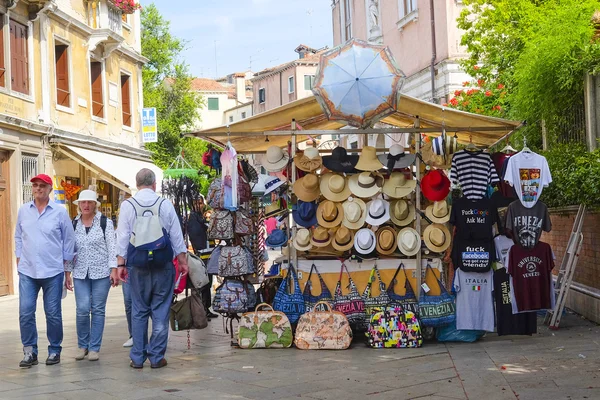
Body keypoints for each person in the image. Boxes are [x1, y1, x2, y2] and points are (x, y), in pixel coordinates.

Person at [116, 169, 188, 369]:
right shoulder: (164, 204)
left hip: (137, 265)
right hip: (163, 264)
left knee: (138, 310)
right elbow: (176, 235)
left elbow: (122, 237)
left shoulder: (128, 205)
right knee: (160, 309)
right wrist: (182, 261)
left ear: (137, 184)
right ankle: (156, 357)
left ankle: (137, 357)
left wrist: (120, 265)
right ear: (155, 184)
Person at [14, 173, 76, 368]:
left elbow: (69, 241)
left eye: (42, 185)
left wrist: (67, 271)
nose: (38, 189)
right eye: (35, 186)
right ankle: (29, 351)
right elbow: (18, 236)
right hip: (28, 271)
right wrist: (18, 258)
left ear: (50, 189)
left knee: (53, 313)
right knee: (25, 312)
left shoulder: (59, 212)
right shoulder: (24, 211)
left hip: (53, 271)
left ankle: (54, 349)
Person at [65, 190, 119, 361]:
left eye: (89, 202)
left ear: (95, 204)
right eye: (83, 203)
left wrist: (114, 269)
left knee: (97, 309)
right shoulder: (73, 224)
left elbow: (112, 247)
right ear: (79, 205)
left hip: (101, 272)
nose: (86, 206)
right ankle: (82, 345)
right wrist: (67, 272)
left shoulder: (105, 222)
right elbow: (69, 249)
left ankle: (94, 347)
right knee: (82, 309)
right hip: (80, 272)